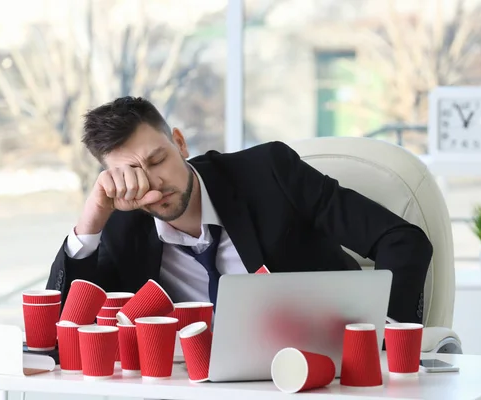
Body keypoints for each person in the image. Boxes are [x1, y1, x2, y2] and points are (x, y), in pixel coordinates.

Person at [46, 96, 433, 324]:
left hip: (314, 375)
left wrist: (382, 336)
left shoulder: (269, 173)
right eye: (131, 172)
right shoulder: (121, 225)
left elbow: (402, 241)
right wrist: (90, 222)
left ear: (180, 143)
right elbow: (63, 331)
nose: (152, 182)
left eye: (157, 159)